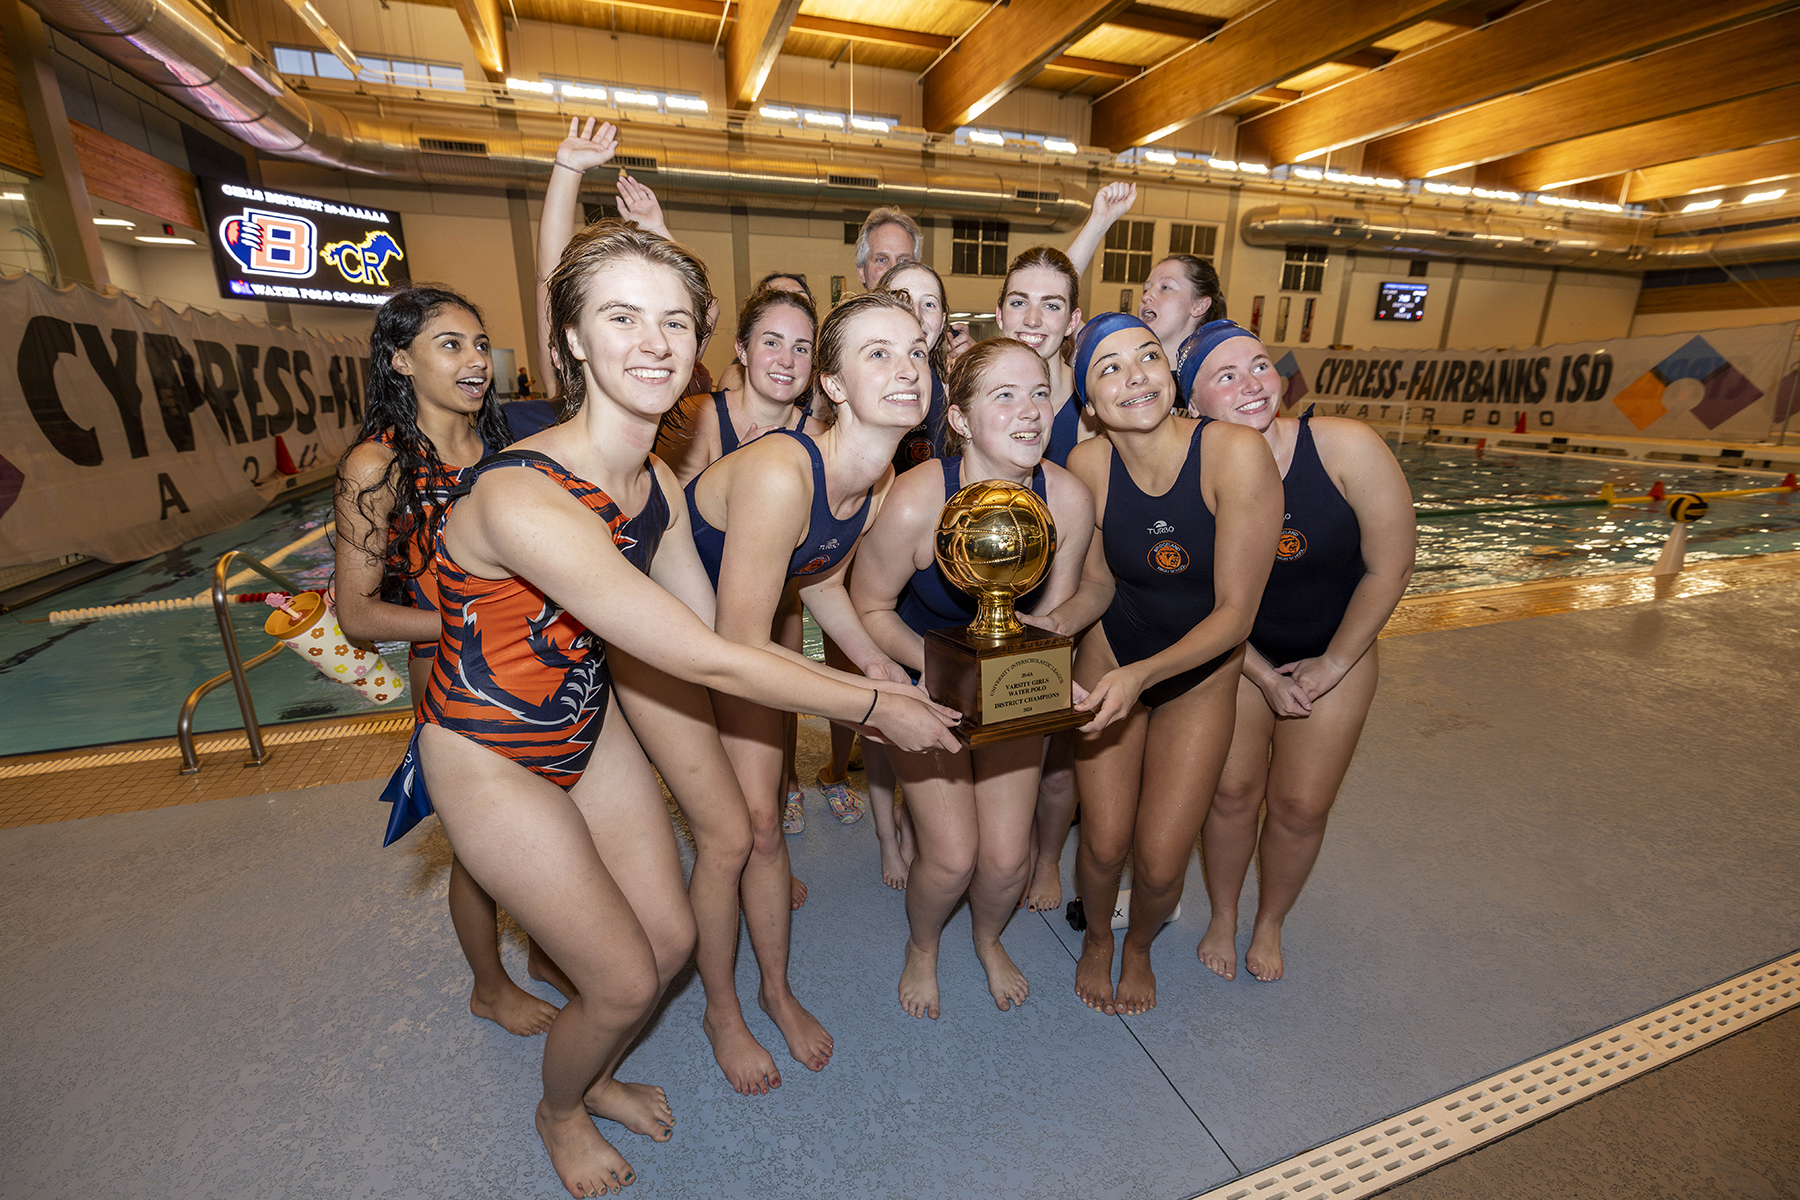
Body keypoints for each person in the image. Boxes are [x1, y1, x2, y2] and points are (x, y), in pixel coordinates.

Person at [398, 219, 959, 1197]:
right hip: (488, 752)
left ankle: (601, 1065)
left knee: (661, 946)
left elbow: (718, 641)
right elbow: (709, 654)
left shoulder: (653, 479)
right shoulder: (523, 498)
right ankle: (560, 1107)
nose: (654, 342)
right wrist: (872, 702)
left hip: (589, 719)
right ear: (571, 338)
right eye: (621, 317)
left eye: (672, 321)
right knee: (619, 980)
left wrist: (890, 688)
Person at [684, 289, 937, 1062]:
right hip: (669, 648)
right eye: (879, 354)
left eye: (918, 353)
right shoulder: (780, 472)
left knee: (764, 826)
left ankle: (775, 988)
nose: (908, 370)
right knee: (726, 837)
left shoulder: (880, 480)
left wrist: (876, 661)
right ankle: (722, 1012)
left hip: (737, 645)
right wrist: (873, 702)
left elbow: (819, 575)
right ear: (833, 385)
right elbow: (736, 643)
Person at [1028, 311, 1282, 1017]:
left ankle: (1137, 944)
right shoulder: (1089, 465)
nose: (1133, 375)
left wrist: (1142, 677)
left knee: (1164, 860)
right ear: (1089, 404)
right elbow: (1104, 585)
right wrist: (1050, 625)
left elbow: (1235, 615)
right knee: (1105, 844)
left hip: (1199, 676)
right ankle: (1100, 943)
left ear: (1170, 376)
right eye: (1108, 367)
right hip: (1113, 654)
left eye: (1146, 357)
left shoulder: (1233, 454)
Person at [335, 286, 570, 1039]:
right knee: (478, 843)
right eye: (450, 345)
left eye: (479, 344)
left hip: (531, 664)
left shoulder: (503, 447)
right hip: (451, 676)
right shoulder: (378, 466)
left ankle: (542, 949)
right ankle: (488, 985)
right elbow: (358, 612)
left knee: (547, 816)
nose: (475, 361)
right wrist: (468, 619)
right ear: (400, 360)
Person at [852, 337, 1095, 1015]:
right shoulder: (917, 500)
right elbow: (868, 605)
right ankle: (923, 947)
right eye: (1005, 395)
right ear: (959, 417)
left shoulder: (1066, 500)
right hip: (927, 687)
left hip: (1006, 687)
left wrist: (1049, 680)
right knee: (954, 858)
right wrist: (944, 676)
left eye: (1041, 393)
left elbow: (1048, 621)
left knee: (1007, 863)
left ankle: (988, 939)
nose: (1030, 412)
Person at [1174, 321, 1416, 982]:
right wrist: (1260, 673)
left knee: (1302, 806)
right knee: (1231, 794)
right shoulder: (1193, 476)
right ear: (1193, 405)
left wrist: (1334, 663)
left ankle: (1270, 920)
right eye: (1226, 376)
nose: (1252, 384)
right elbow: (1198, 597)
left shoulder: (1345, 447)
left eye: (1259, 365)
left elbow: (1390, 567)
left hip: (1338, 647)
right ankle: (1224, 914)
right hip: (1238, 656)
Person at [990, 245, 1091, 911]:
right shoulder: (972, 383)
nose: (1033, 316)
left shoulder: (1088, 406)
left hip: (1065, 592)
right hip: (979, 591)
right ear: (999, 312)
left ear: (1073, 319)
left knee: (1056, 752)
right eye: (1019, 302)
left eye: (1051, 305)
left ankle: (1048, 855)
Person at [655, 286, 823, 486]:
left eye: (801, 348)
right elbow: (671, 513)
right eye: (771, 343)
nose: (787, 361)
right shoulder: (695, 416)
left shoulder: (821, 436)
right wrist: (734, 468)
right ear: (742, 350)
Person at [1067, 182, 1227, 362]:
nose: (1146, 296)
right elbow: (1056, 289)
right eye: (1146, 289)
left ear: (1199, 306)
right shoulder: (1116, 360)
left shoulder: (1215, 379)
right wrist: (1098, 222)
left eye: (1166, 287)